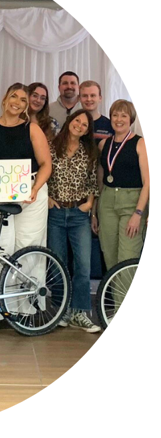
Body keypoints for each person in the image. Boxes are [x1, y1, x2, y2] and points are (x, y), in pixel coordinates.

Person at [0, 83, 52, 333]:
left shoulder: (32, 129)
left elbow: (46, 164)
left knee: (28, 247)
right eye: (14, 97)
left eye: (23, 100)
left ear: (26, 106)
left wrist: (35, 188)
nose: (17, 102)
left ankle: (25, 308)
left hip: (30, 194)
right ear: (5, 99)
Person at [46, 109, 101, 333]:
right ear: (70, 121)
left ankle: (80, 312)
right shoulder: (52, 146)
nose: (79, 125)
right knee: (58, 264)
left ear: (87, 131)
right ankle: (62, 309)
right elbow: (43, 173)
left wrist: (89, 204)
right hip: (56, 213)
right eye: (77, 120)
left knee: (83, 265)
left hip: (79, 214)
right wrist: (47, 198)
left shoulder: (90, 151)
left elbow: (93, 182)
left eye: (84, 125)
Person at [93, 100, 149, 302]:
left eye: (124, 115)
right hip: (107, 202)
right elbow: (100, 180)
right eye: (115, 115)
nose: (119, 119)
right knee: (110, 258)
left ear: (131, 119)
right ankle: (116, 308)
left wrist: (138, 213)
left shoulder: (140, 143)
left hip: (131, 203)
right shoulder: (104, 144)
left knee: (127, 259)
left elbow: (148, 182)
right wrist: (94, 212)